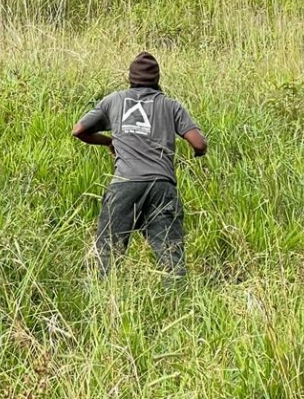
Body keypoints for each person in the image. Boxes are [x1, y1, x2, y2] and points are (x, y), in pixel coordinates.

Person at [72, 52, 207, 277]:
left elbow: (79, 130)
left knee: (107, 253)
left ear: (130, 78)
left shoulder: (114, 100)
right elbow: (199, 143)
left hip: (125, 183)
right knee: (170, 256)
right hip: (162, 185)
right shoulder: (170, 105)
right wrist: (198, 153)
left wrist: (110, 141)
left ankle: (103, 301)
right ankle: (176, 302)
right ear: (157, 79)